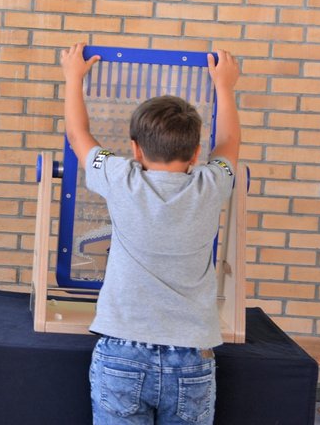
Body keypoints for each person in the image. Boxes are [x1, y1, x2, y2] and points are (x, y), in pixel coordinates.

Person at [60, 42, 241, 425]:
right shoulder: (212, 184)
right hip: (192, 355)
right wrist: (224, 87)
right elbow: (229, 144)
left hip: (122, 350)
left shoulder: (120, 177)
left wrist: (73, 78)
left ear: (135, 150)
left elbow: (77, 135)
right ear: (196, 153)